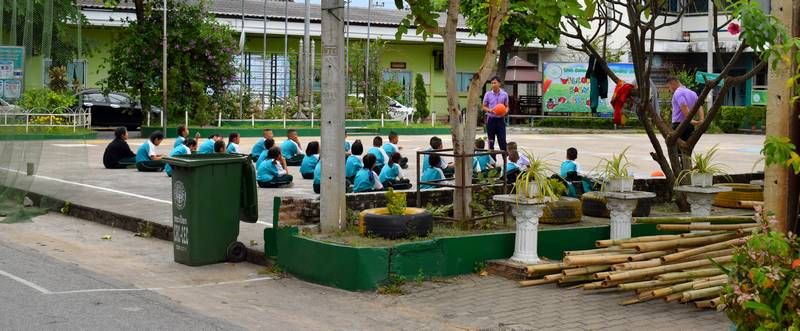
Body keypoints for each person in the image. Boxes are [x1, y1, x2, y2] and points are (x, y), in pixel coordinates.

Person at [666, 76, 705, 142]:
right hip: (690, 127)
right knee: (687, 149)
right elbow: (699, 106)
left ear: (673, 83)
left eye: (668, 87)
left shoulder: (677, 92)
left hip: (679, 125)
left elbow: (683, 105)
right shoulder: (693, 93)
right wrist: (701, 120)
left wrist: (692, 121)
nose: (669, 90)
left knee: (677, 149)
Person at [482, 76, 509, 153]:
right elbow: (484, 106)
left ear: (499, 84)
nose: (493, 84)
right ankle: (492, 162)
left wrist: (505, 112)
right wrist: (490, 110)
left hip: (500, 120)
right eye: (492, 83)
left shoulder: (504, 94)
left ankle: (505, 160)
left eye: (495, 83)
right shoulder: (488, 94)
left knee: (502, 140)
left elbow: (507, 106)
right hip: (491, 120)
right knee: (491, 141)